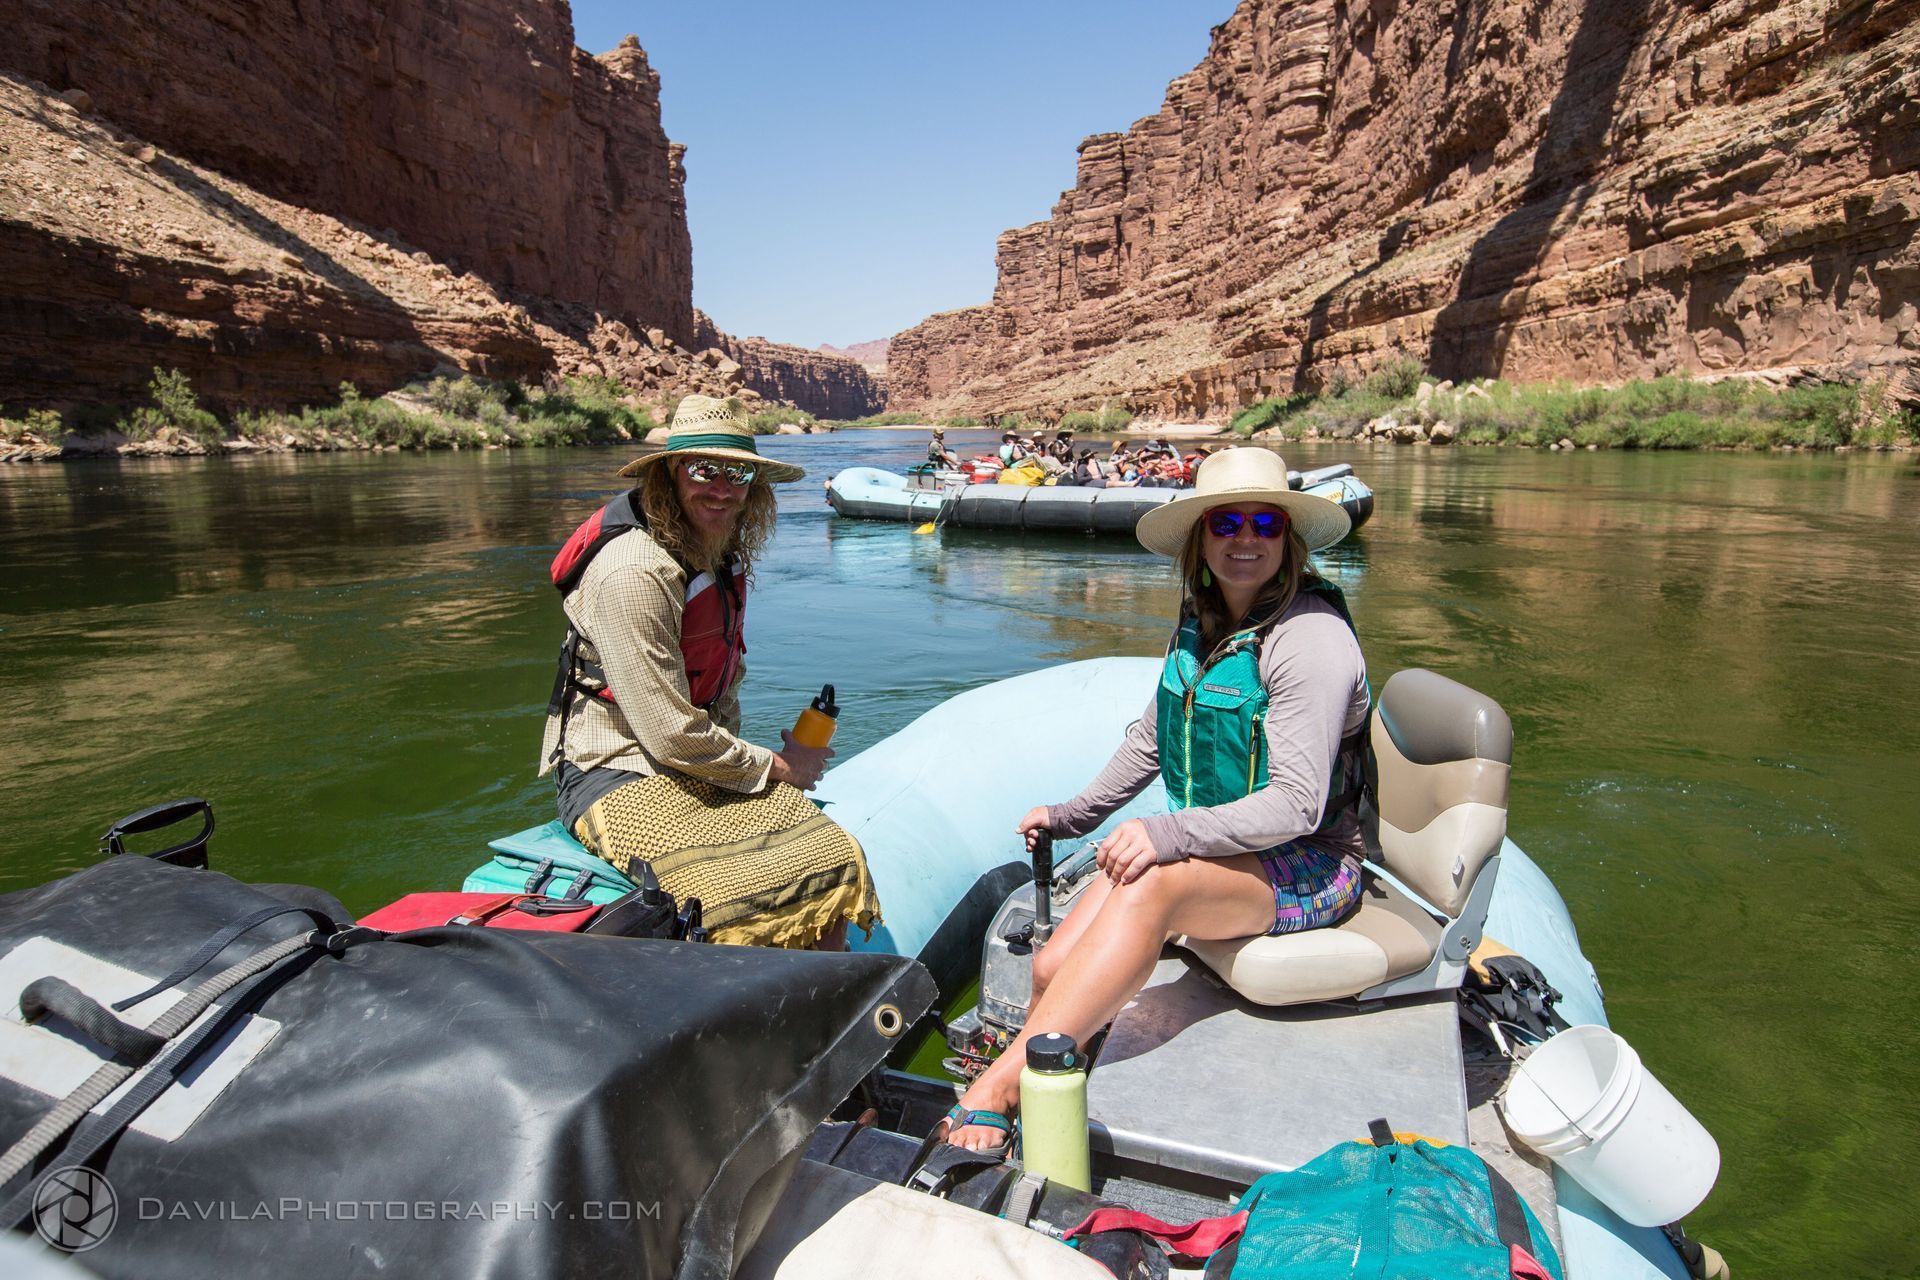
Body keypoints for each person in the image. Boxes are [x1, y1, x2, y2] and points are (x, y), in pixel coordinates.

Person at [937, 447, 1365, 1153]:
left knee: (1154, 878)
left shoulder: (1311, 639)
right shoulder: (1202, 621)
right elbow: (1153, 739)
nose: (1247, 538)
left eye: (1266, 521)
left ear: (1287, 538)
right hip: (1226, 850)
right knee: (1047, 966)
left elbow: (1296, 807)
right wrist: (1073, 814)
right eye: (1227, 523)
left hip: (1310, 865)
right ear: (1201, 538)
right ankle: (1038, 1079)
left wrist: (1168, 834)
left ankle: (999, 1090)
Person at [539, 395, 881, 949]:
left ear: (754, 485)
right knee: (727, 892)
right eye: (703, 470)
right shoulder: (633, 572)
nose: (721, 489)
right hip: (616, 769)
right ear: (670, 474)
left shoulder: (710, 552)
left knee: (838, 855)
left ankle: (823, 998)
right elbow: (670, 732)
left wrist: (753, 770)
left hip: (691, 763)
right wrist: (778, 766)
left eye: (737, 472)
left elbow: (717, 694)